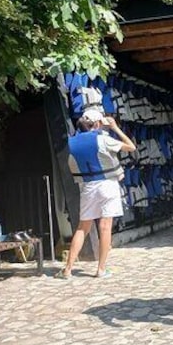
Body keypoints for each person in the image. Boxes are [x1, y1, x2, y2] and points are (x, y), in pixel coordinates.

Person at [56, 109, 136, 279]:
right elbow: (131, 147)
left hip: (88, 186)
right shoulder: (104, 139)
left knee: (82, 227)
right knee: (105, 226)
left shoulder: (72, 142)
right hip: (108, 184)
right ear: (98, 123)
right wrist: (115, 127)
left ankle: (67, 269)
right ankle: (101, 269)